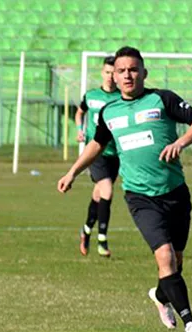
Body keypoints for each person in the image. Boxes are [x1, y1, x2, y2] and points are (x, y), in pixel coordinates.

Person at [58, 46, 192, 332]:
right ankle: (191, 324)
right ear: (115, 74)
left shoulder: (162, 99)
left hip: (175, 193)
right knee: (164, 258)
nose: (127, 75)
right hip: (140, 197)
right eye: (121, 70)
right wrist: (72, 172)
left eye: (133, 69)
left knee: (175, 262)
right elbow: (96, 145)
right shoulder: (110, 112)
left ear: (144, 72)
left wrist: (181, 142)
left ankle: (160, 295)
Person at [75, 56, 121, 257]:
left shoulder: (121, 98)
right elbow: (80, 112)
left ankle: (85, 231)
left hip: (115, 154)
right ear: (102, 73)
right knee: (108, 191)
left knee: (98, 195)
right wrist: (79, 129)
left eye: (114, 73)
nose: (110, 77)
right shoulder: (91, 95)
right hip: (95, 152)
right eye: (107, 72)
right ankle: (102, 238)